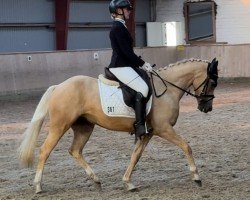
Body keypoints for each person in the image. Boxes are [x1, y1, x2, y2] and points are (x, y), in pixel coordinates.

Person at [107, 0, 153, 139]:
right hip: (120, 66)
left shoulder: (121, 26)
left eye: (129, 9)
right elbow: (126, 52)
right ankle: (139, 126)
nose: (129, 11)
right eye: (127, 9)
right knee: (143, 89)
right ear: (119, 11)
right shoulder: (117, 27)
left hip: (125, 65)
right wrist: (142, 63)